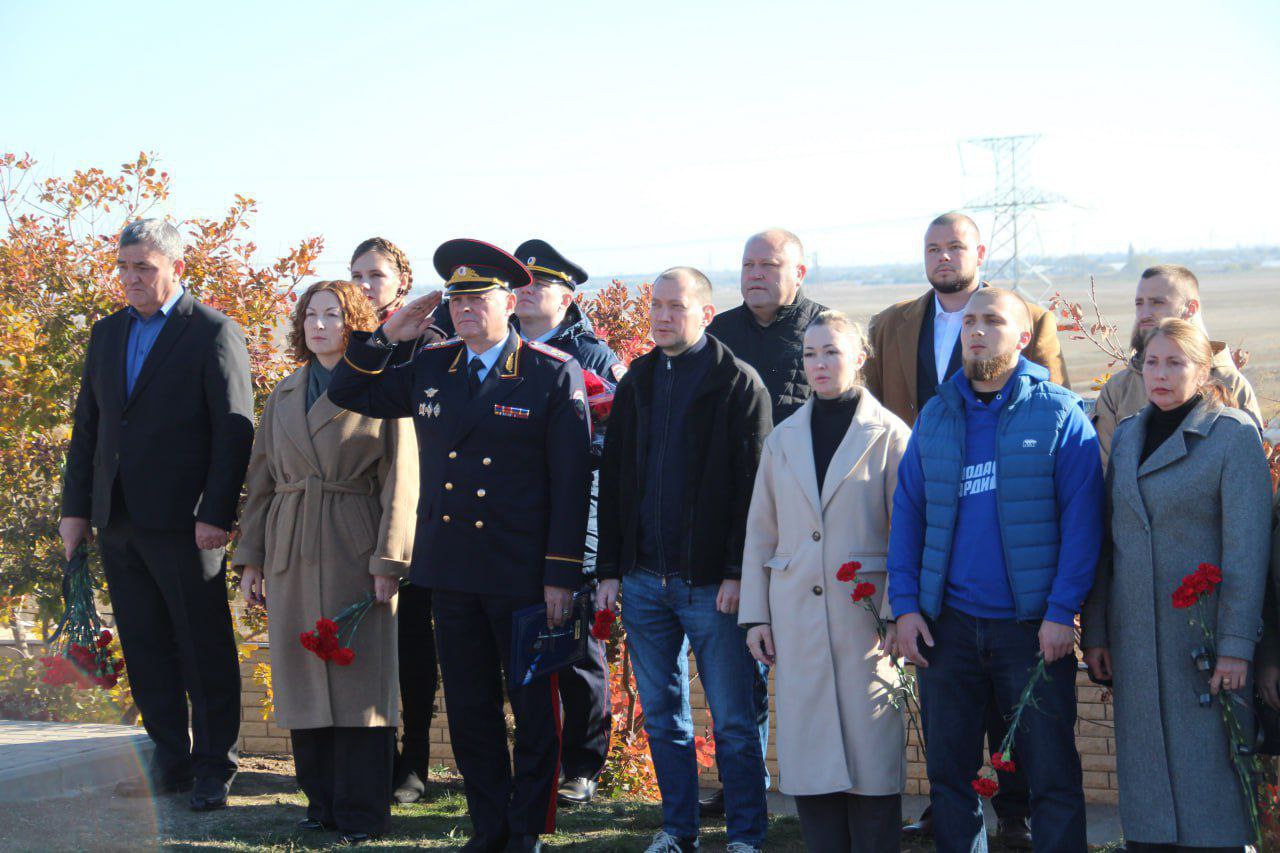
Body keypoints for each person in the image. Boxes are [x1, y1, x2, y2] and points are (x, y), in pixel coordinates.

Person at [329, 239, 593, 853]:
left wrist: (561, 574)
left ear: (511, 300)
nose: (465, 308)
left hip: (524, 572)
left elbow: (572, 482)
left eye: (479, 297)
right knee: (471, 708)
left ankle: (525, 827)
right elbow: (349, 391)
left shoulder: (551, 373)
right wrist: (387, 334)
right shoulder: (431, 366)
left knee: (531, 710)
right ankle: (488, 827)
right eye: (456, 297)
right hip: (450, 569)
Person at [864, 211, 1068, 845]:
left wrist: (1061, 607)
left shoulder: (1046, 379)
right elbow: (904, 495)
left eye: (955, 246)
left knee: (1043, 758)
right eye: (933, 247)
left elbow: (1069, 498)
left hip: (1022, 604)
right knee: (950, 760)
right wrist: (905, 601)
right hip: (939, 588)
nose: (943, 256)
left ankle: (1017, 819)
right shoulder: (904, 351)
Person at [888, 287, 1104, 853]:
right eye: (969, 322)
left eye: (993, 321)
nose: (977, 331)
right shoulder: (936, 414)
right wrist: (906, 608)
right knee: (950, 779)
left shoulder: (1059, 413)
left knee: (1052, 776)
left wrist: (1062, 614)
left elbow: (1083, 527)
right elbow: (908, 516)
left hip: (1030, 631)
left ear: (1023, 336)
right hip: (948, 628)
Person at [59, 218, 253, 810]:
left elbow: (234, 433)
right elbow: (88, 429)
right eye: (124, 266)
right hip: (118, 522)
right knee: (144, 647)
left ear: (177, 267)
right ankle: (168, 761)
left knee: (202, 648)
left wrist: (215, 512)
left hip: (189, 525)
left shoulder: (214, 332)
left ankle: (214, 767)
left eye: (144, 266)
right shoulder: (107, 333)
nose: (131, 278)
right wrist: (75, 510)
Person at [233, 280, 418, 843]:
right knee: (302, 678)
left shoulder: (383, 389)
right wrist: (252, 560)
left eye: (332, 315)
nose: (318, 325)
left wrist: (390, 559)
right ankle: (321, 803)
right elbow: (261, 482)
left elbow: (402, 481)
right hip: (290, 542)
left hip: (353, 542)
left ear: (354, 322)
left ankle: (363, 811)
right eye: (310, 314)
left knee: (360, 680)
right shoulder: (284, 393)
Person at [597, 266, 773, 853]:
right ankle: (677, 830)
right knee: (665, 720)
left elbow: (753, 491)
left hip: (712, 588)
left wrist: (736, 572)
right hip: (646, 583)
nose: (662, 316)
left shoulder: (737, 383)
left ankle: (746, 835)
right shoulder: (639, 381)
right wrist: (610, 573)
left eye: (675, 306)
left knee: (733, 722)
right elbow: (618, 480)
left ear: (705, 311)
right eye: (656, 306)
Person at [1082, 318, 1272, 851]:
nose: (1159, 374)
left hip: (1205, 650)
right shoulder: (1128, 437)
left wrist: (1236, 648)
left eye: (1175, 363)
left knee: (1210, 802)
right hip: (1137, 646)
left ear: (1203, 369)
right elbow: (1110, 543)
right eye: (1151, 362)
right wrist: (1096, 631)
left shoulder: (1232, 436)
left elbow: (1248, 553)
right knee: (1147, 810)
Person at [739, 310, 910, 852]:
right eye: (810, 354)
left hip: (868, 626)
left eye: (832, 352)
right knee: (812, 763)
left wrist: (896, 610)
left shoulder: (890, 436)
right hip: (796, 622)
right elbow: (761, 532)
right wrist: (756, 615)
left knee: (871, 764)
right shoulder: (783, 438)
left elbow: (907, 533)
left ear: (860, 357)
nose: (818, 364)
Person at [703, 228, 821, 813]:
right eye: (748, 263)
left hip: (807, 526)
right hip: (735, 528)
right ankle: (743, 784)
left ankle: (816, 784)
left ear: (799, 272)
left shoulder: (821, 331)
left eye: (770, 264)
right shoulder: (718, 334)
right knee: (739, 666)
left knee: (805, 662)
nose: (756, 273)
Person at [512, 238, 621, 806]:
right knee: (522, 649)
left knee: (577, 651)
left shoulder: (592, 358)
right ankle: (535, 760)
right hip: (510, 523)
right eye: (519, 282)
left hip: (575, 522)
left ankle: (583, 764)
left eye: (539, 283)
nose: (525, 291)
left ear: (566, 295)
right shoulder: (495, 345)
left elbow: (609, 446)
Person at [349, 237, 444, 805]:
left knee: (412, 646)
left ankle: (414, 762)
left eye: (376, 276)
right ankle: (371, 754)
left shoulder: (425, 342)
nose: (364, 285)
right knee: (365, 643)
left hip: (415, 511)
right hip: (354, 513)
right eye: (356, 274)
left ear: (401, 285)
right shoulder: (349, 341)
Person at [1092, 264, 1262, 464]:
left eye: (1157, 302)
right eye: (1139, 303)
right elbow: (1105, 474)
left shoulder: (1231, 384)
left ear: (1190, 309)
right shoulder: (1118, 389)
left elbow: (1249, 473)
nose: (1144, 313)